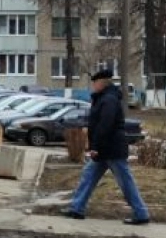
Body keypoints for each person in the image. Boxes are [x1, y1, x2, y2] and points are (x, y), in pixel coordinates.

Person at [63, 69, 151, 225]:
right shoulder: (104, 98)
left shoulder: (108, 99)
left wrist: (95, 146)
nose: (92, 87)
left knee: (125, 181)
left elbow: (105, 125)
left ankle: (141, 213)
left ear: (101, 83)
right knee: (88, 176)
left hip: (112, 148)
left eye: (94, 83)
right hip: (105, 149)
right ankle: (77, 208)